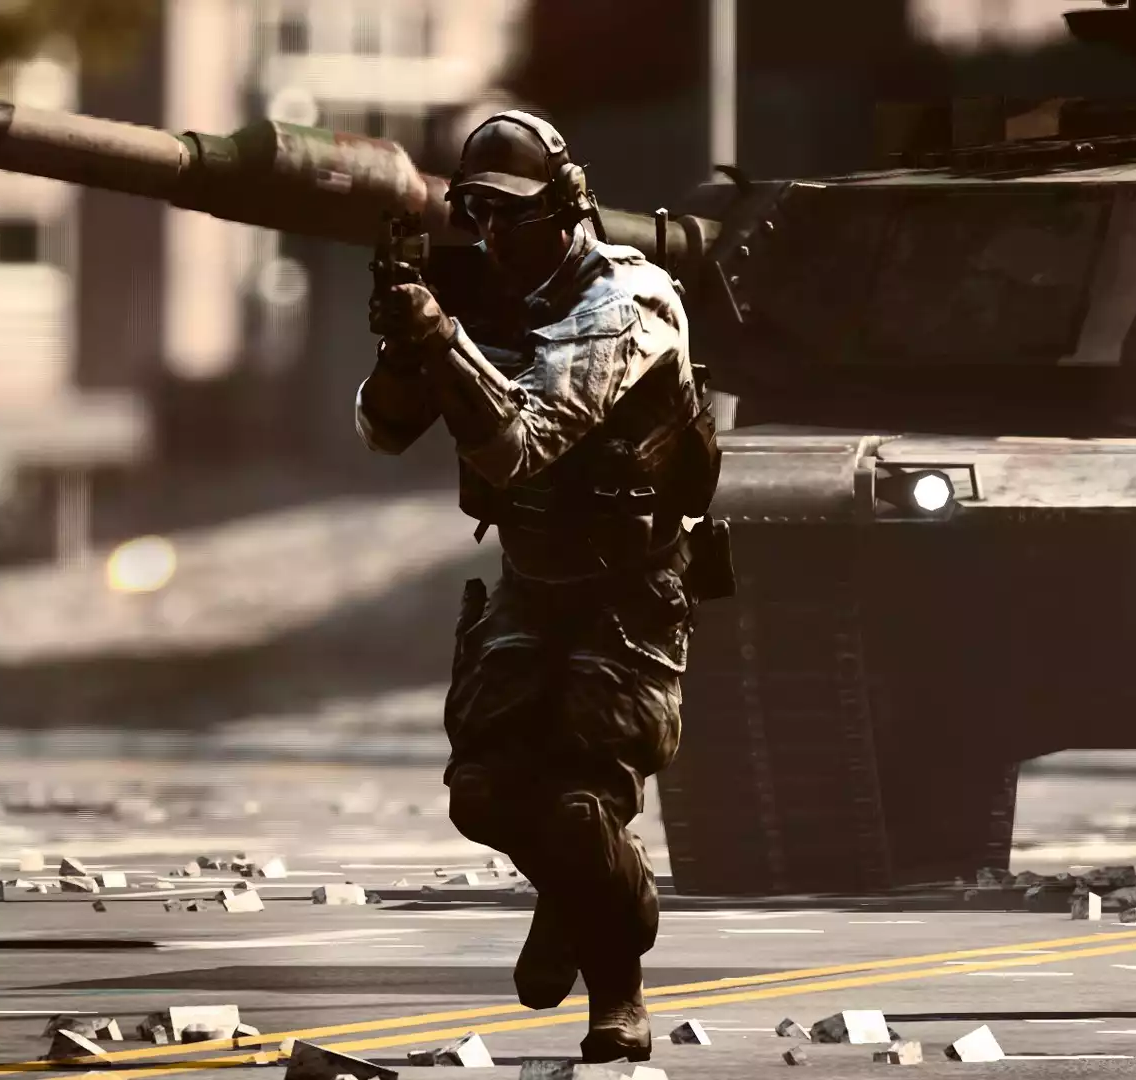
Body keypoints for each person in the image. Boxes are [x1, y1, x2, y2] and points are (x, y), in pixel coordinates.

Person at [356, 110, 724, 1063]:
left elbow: (521, 444)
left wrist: (444, 341)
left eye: (512, 213)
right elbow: (384, 431)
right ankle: (578, 890)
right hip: (531, 575)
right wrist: (405, 345)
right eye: (478, 214)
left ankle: (620, 986)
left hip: (628, 591)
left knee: (577, 805)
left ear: (566, 207)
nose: (493, 234)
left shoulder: (626, 301)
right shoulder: (486, 294)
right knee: (480, 793)